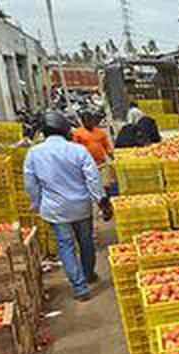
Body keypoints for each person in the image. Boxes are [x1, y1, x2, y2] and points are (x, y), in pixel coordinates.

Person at [23, 111, 112, 302]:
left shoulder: (34, 153)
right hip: (80, 205)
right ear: (64, 129)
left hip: (55, 208)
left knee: (66, 245)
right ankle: (88, 274)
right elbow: (93, 178)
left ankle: (80, 288)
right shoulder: (78, 151)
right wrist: (101, 200)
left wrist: (37, 203)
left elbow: (30, 183)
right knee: (85, 241)